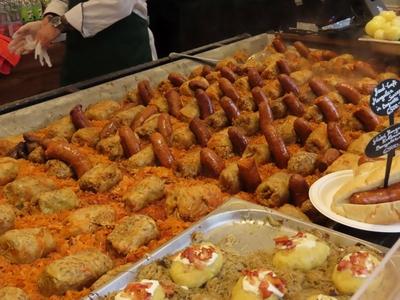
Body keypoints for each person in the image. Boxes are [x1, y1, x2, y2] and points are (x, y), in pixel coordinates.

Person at [10, 0, 157, 85]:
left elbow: (118, 4)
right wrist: (48, 21)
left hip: (123, 53)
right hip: (81, 60)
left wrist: (58, 25)